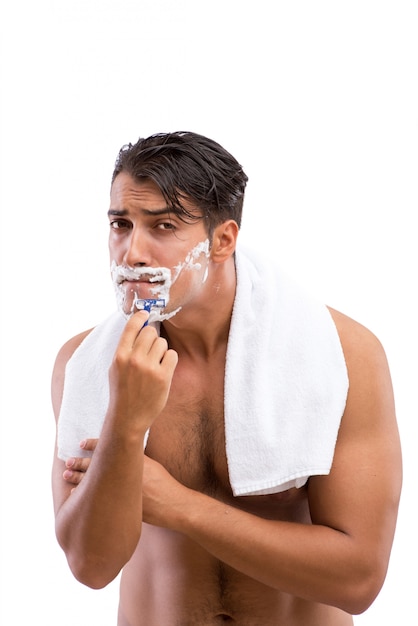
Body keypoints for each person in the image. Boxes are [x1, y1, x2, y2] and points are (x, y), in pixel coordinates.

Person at [51, 131, 402, 626]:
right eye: (121, 224)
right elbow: (90, 565)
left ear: (223, 239)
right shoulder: (86, 364)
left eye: (164, 225)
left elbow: (359, 581)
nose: (132, 252)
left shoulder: (343, 356)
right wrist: (125, 425)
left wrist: (178, 506)